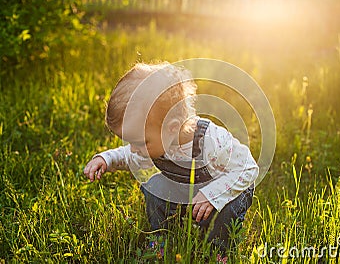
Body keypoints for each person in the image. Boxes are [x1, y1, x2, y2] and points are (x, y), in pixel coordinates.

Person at [84, 62, 259, 252]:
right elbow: (128, 156)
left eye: (140, 143)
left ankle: (218, 251)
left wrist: (213, 195)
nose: (134, 149)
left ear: (173, 128)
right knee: (155, 187)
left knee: (224, 213)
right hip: (190, 193)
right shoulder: (158, 141)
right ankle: (162, 239)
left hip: (225, 191)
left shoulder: (211, 142)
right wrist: (105, 159)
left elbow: (248, 168)